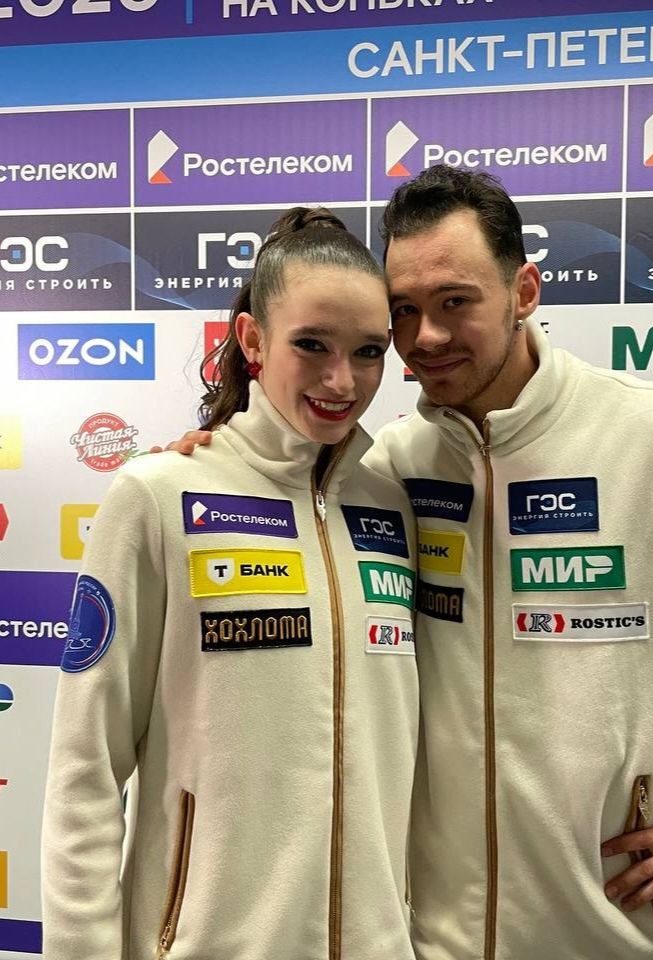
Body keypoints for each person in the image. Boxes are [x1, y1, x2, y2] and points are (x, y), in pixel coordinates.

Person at [162, 167, 653, 960]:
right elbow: (296, 533)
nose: (427, 337)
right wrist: (218, 464)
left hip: (623, 935)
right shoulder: (394, 468)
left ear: (523, 290)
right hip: (434, 944)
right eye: (404, 311)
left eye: (456, 301)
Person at [42, 208, 420, 960]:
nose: (342, 380)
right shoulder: (157, 495)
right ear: (251, 340)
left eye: (368, 352)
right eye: (311, 344)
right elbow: (86, 767)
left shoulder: (396, 500)